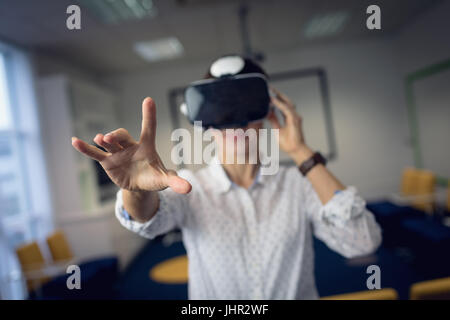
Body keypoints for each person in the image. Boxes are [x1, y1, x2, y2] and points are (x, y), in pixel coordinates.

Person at [71, 56, 382, 299]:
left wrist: (300, 151)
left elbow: (362, 241)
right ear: (204, 121)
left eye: (245, 107)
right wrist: (136, 190)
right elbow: (148, 219)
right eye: (221, 110)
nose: (233, 123)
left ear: (267, 112)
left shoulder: (298, 185)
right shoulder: (190, 189)